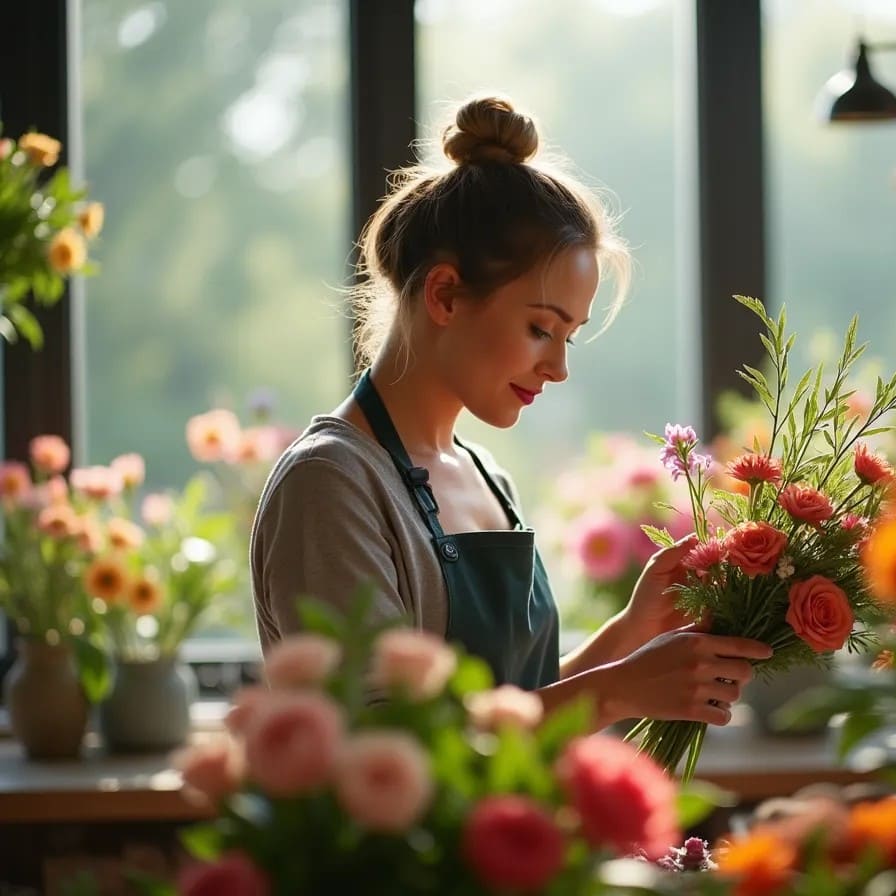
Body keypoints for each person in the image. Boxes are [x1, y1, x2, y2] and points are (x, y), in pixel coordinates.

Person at [250, 95, 771, 730]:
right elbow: (382, 746)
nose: (558, 368)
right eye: (539, 329)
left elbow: (517, 706)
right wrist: (614, 692)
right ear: (444, 294)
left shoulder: (484, 474)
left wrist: (629, 633)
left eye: (568, 336)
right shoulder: (330, 483)